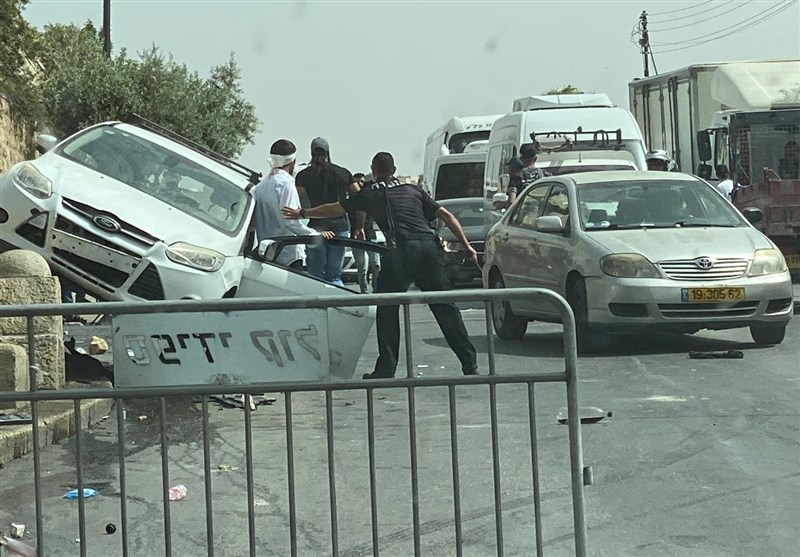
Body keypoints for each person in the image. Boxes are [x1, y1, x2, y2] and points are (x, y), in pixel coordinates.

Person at [283, 152, 479, 378]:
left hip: (401, 252)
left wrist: (303, 213)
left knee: (387, 308)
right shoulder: (412, 190)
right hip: (428, 250)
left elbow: (335, 209)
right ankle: (469, 364)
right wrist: (467, 246)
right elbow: (445, 214)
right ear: (394, 170)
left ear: (374, 170)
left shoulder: (370, 193)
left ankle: (386, 368)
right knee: (446, 308)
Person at [251, 139, 332, 269]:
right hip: (289, 255)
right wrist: (316, 236)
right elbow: (290, 221)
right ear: (292, 161)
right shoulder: (286, 185)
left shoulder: (260, 186)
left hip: (266, 254)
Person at [295, 137, 358, 286]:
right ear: (328, 152)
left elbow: (297, 200)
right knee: (335, 275)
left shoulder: (304, 175)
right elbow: (358, 196)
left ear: (311, 152)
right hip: (341, 227)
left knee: (314, 276)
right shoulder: (343, 173)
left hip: (316, 228)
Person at [348, 172, 381, 293]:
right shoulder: (350, 202)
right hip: (356, 238)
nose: (359, 184)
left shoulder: (370, 199)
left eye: (362, 181)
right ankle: (364, 292)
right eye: (356, 182)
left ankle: (377, 290)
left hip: (370, 235)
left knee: (376, 265)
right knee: (362, 268)